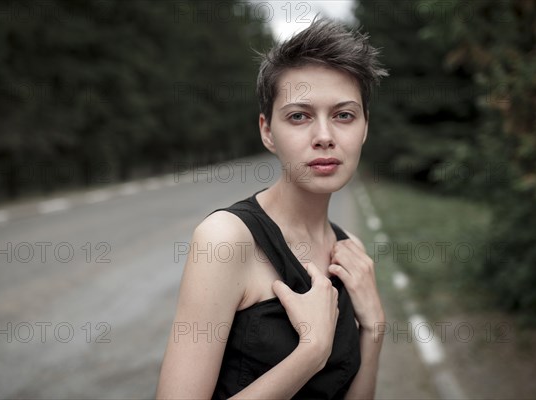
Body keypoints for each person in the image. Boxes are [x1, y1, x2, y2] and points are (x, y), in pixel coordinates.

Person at [156, 17, 387, 399]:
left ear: (364, 128)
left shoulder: (351, 252)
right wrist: (310, 352)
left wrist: (374, 329)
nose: (325, 137)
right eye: (299, 116)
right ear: (267, 131)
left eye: (344, 115)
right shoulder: (226, 240)